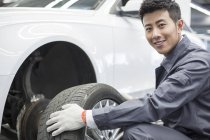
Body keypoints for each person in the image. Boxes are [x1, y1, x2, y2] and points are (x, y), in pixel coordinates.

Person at [46, 0, 210, 139]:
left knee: (136, 133)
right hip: (185, 131)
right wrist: (130, 102)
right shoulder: (178, 58)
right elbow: (168, 101)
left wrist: (85, 117)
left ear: (179, 25)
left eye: (161, 25)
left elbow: (155, 105)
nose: (155, 34)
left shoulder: (196, 63)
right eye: (148, 28)